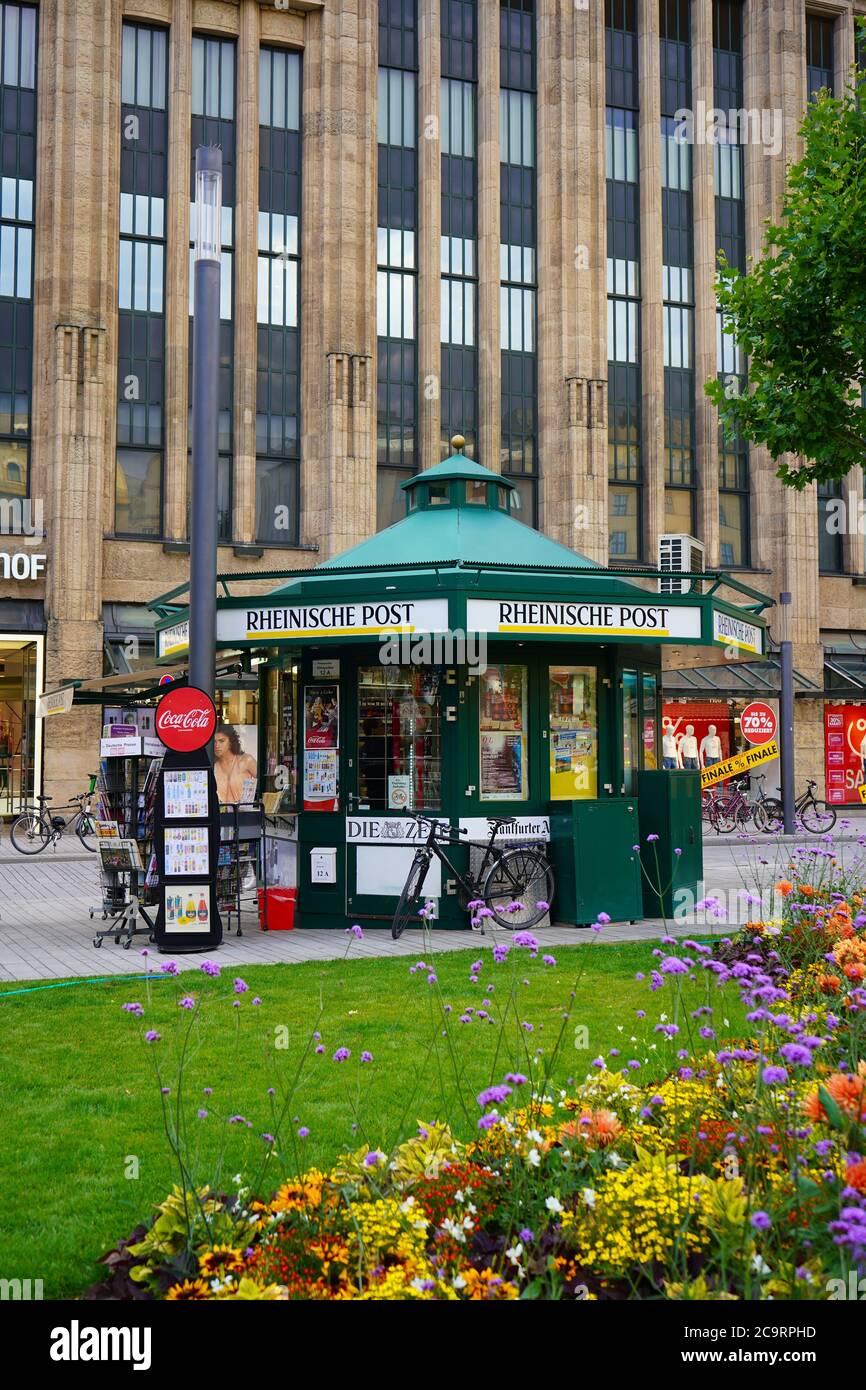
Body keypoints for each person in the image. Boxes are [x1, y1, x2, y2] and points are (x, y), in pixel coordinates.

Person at [214, 724, 258, 805]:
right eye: (214, 742)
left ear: (231, 741)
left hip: (243, 814)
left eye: (221, 741)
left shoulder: (246, 760)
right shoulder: (214, 767)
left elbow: (263, 785)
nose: (217, 745)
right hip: (221, 814)